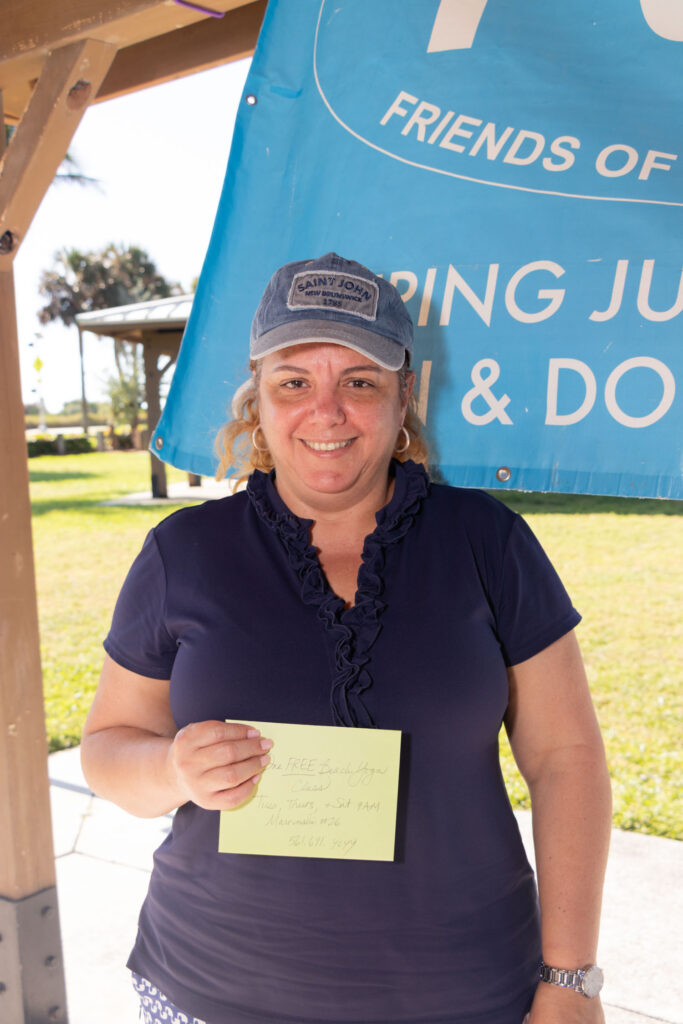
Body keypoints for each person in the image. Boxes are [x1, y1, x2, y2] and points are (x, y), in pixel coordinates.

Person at [81, 252, 612, 1024]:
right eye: (293, 382)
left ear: (404, 397)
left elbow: (566, 760)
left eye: (359, 382)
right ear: (257, 398)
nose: (325, 412)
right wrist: (171, 769)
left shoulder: (486, 542)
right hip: (209, 993)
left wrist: (569, 979)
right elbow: (106, 748)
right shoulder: (183, 552)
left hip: (465, 997)